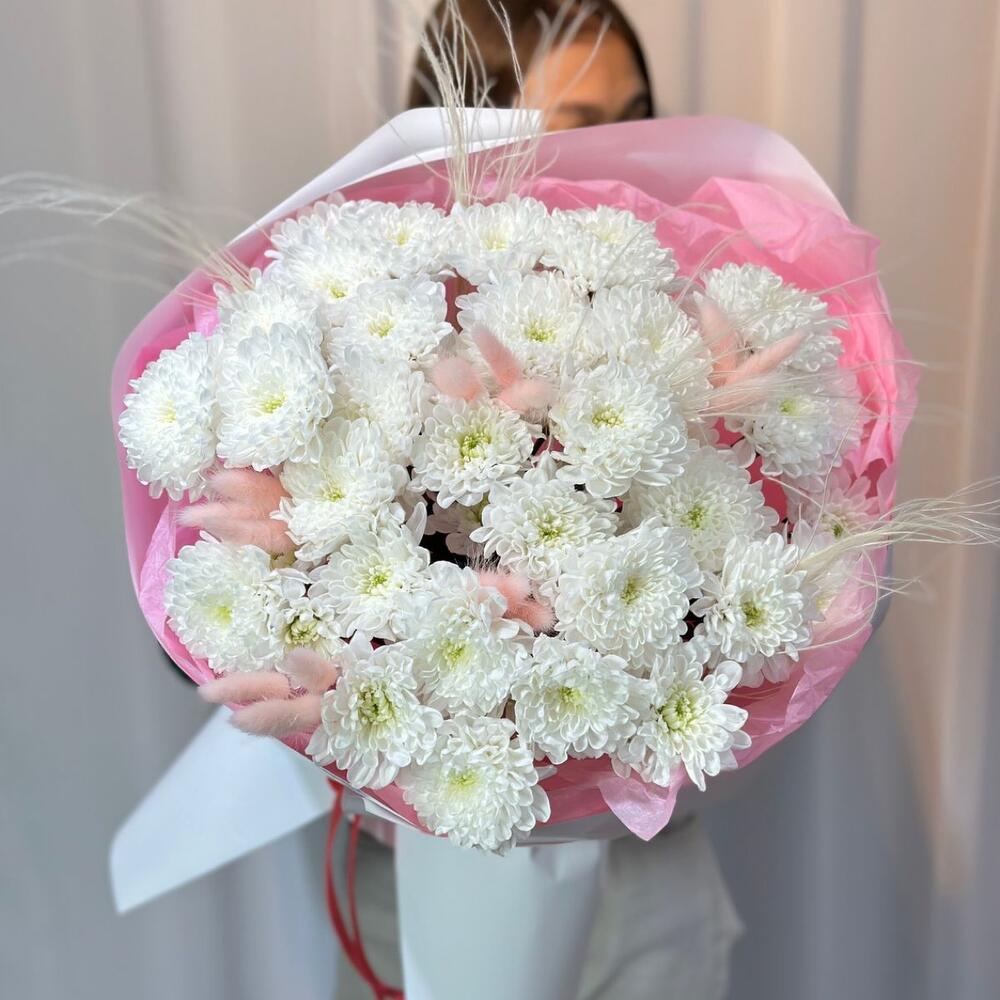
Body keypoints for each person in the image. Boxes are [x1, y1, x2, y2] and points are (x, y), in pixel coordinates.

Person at [334, 4, 744, 999]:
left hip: (646, 879)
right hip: (422, 883)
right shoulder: (366, 310)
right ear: (468, 131)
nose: (628, 149)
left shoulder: (702, 319)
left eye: (637, 114)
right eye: (579, 125)